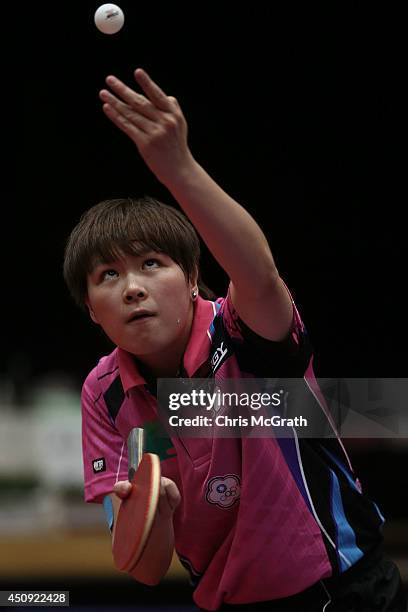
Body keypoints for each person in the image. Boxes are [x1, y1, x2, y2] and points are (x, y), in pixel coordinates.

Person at [63, 68, 406, 611]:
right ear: (90, 309)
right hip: (230, 603)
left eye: (152, 264)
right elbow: (147, 570)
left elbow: (260, 275)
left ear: (194, 278)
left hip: (344, 590)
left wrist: (178, 168)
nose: (132, 288)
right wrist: (155, 517)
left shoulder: (242, 331)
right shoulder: (103, 395)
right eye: (108, 276)